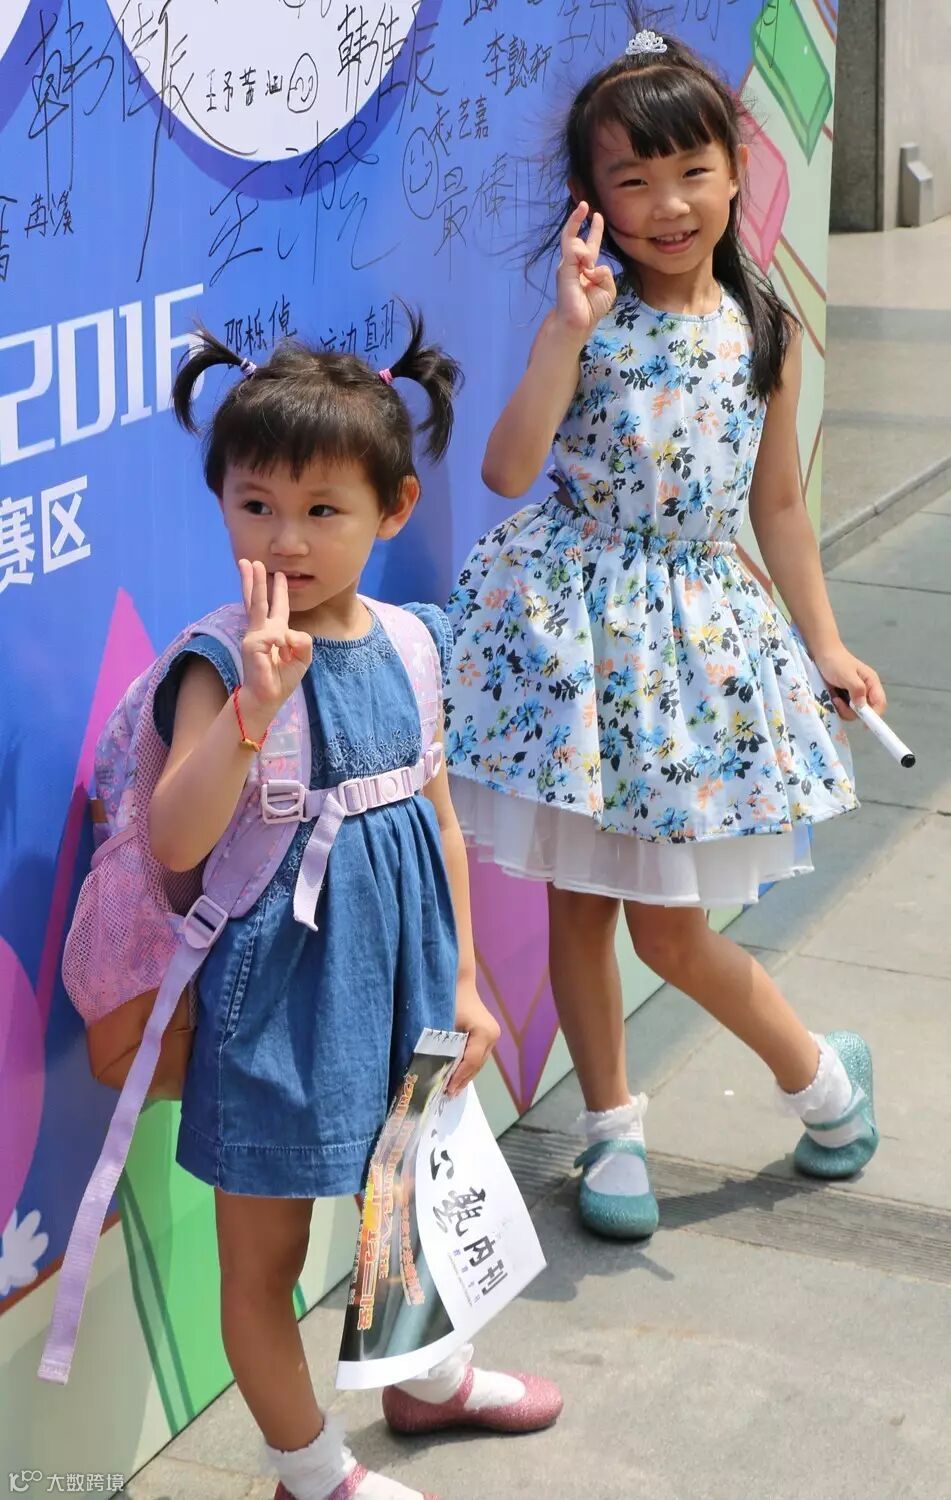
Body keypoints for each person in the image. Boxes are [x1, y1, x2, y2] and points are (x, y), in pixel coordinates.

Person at [444, 30, 882, 1243]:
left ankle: (825, 1085)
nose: (666, 205)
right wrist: (563, 331)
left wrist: (825, 643)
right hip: (575, 646)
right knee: (582, 906)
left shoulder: (766, 330)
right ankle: (612, 1129)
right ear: (591, 199)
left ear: (735, 171)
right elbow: (506, 470)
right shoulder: (587, 320)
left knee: (674, 929)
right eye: (631, 181)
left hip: (693, 656)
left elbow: (778, 508)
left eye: (689, 171)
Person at [150, 314, 561, 1500]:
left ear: (392, 508)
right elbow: (176, 838)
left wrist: (465, 982)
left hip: (406, 976)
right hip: (278, 1001)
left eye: (321, 509)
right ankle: (309, 1466)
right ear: (222, 502)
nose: (285, 538)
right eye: (255, 504)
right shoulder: (220, 661)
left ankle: (427, 1378)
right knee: (264, 1254)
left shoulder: (412, 645)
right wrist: (252, 711)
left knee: (413, 1196)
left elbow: (438, 822)